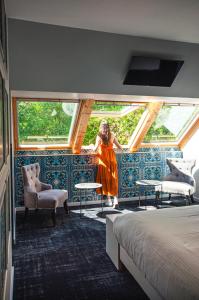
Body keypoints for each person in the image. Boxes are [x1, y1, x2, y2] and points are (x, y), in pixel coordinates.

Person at [93, 120, 123, 208]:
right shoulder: (112, 135)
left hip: (104, 161)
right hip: (112, 159)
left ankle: (109, 200)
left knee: (105, 179)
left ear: (101, 128)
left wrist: (91, 146)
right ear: (108, 127)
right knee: (113, 179)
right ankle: (115, 200)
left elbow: (95, 149)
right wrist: (112, 150)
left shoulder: (99, 136)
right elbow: (120, 147)